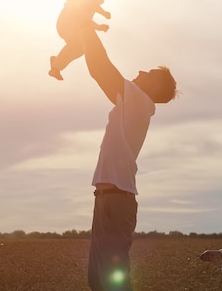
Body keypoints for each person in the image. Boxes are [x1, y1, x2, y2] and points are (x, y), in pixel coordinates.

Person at [81, 26, 177, 291]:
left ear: (155, 85)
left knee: (112, 283)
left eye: (149, 72)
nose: (141, 72)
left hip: (116, 200)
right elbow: (98, 68)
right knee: (99, 282)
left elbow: (101, 69)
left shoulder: (140, 101)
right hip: (108, 199)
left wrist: (85, 25)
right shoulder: (133, 104)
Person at [49, 0, 120, 81]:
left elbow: (85, 19)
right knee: (77, 43)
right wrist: (103, 12)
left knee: (81, 47)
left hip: (72, 22)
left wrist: (98, 27)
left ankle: (57, 63)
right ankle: (55, 67)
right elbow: (90, 3)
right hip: (68, 21)